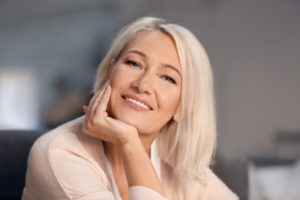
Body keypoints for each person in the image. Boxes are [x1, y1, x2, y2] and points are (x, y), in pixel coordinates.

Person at [22, 16, 239, 200]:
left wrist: (130, 144)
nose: (143, 85)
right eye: (134, 64)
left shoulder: (176, 164)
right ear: (109, 71)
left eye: (167, 78)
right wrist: (130, 143)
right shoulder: (58, 152)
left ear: (182, 106)